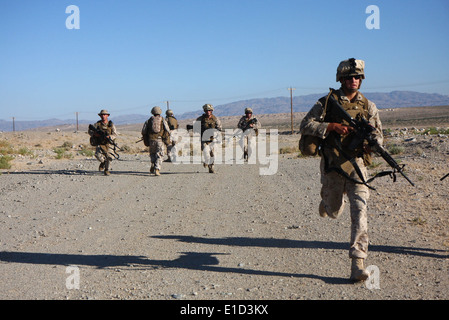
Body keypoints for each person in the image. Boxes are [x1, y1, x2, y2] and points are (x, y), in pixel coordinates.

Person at [300, 58, 383, 281]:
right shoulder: (326, 103)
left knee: (360, 211)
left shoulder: (368, 106)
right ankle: (326, 201)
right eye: (349, 77)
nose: (354, 81)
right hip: (334, 165)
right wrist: (331, 126)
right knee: (334, 211)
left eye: (357, 77)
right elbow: (305, 124)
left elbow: (379, 135)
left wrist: (372, 144)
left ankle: (358, 264)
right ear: (341, 79)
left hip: (357, 166)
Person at [141, 106, 171, 176]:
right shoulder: (163, 120)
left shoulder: (148, 121)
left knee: (152, 153)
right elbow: (167, 130)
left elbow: (143, 131)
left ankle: (153, 163)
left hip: (151, 140)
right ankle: (157, 169)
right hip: (159, 140)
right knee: (160, 154)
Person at [88, 109, 118, 176]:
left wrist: (109, 137)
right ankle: (103, 162)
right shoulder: (97, 124)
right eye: (102, 115)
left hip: (108, 143)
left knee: (109, 157)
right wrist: (94, 134)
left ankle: (106, 170)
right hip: (99, 142)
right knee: (97, 155)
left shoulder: (111, 125)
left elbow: (115, 134)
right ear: (100, 116)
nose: (103, 116)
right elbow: (90, 131)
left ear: (107, 115)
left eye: (105, 114)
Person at [196, 104, 222, 173]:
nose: (208, 112)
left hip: (213, 139)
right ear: (204, 111)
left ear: (212, 111)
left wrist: (216, 131)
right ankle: (206, 161)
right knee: (206, 153)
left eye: (209, 110)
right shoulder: (200, 119)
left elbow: (219, 127)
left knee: (213, 155)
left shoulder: (215, 119)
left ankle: (211, 167)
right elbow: (196, 128)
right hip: (204, 139)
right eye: (207, 110)